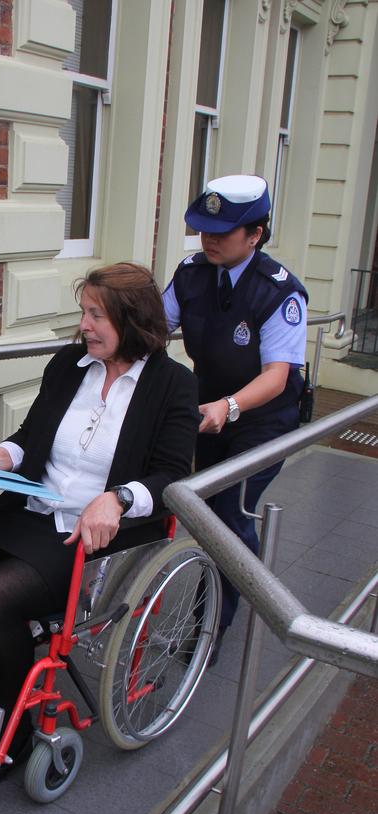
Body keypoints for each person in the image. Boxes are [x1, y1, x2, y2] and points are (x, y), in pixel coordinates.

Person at [0, 262, 200, 785]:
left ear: (133, 321)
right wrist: (0, 456)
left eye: (97, 315)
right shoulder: (71, 364)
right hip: (30, 511)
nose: (85, 326)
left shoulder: (172, 385)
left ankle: (14, 728)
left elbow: (172, 477)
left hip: (90, 535)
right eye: (84, 313)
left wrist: (116, 498)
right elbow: (31, 436)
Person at [163, 174, 308, 662]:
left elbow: (276, 376)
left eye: (221, 233)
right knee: (207, 509)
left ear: (256, 234)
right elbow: (154, 327)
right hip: (209, 410)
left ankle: (213, 622)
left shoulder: (278, 292)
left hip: (263, 418)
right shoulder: (191, 274)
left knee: (226, 513)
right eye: (204, 230)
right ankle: (243, 561)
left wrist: (230, 407)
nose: (209, 240)